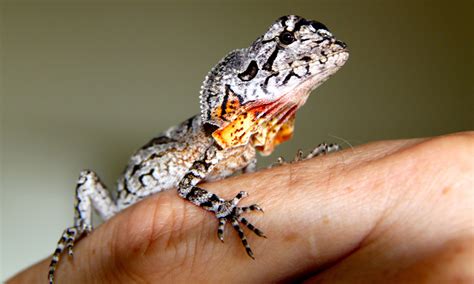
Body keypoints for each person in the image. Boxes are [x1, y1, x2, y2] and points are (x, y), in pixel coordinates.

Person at [7, 132, 474, 283]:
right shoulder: (202, 146)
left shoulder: (234, 153)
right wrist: (229, 212)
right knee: (88, 181)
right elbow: (190, 189)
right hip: (119, 204)